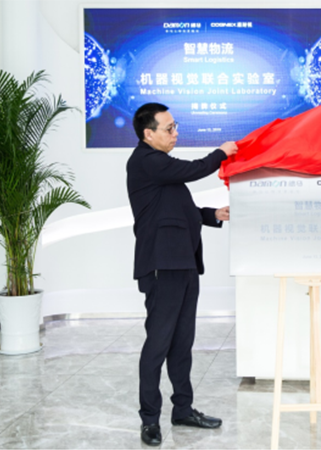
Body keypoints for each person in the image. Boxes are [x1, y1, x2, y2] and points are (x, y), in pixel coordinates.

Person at [126, 102, 238, 447]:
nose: (175, 133)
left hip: (183, 264)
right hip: (162, 266)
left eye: (175, 126)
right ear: (149, 134)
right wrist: (221, 153)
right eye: (169, 128)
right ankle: (150, 419)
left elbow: (180, 209)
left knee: (182, 343)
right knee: (158, 344)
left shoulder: (160, 168)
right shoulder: (146, 161)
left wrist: (212, 214)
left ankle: (183, 409)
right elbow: (193, 170)